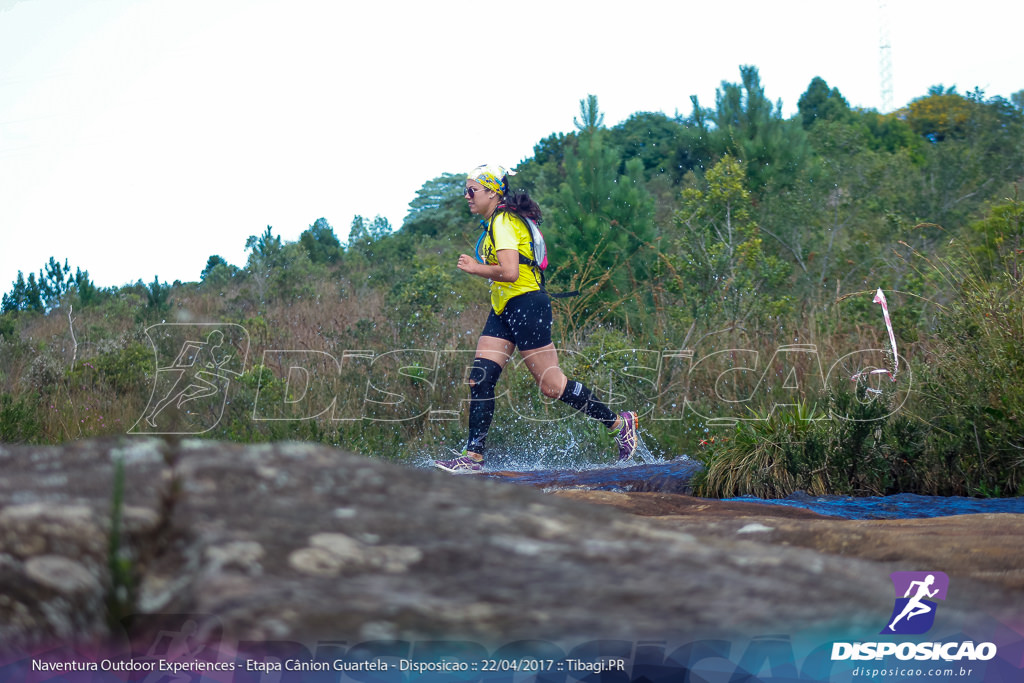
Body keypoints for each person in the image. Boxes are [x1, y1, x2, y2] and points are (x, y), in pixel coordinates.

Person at [434, 163, 638, 474]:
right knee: (480, 377)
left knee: (552, 386)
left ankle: (617, 423)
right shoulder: (494, 223)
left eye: (472, 190)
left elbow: (510, 272)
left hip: (527, 305)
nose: (467, 196)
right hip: (504, 308)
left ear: (491, 192)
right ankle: (473, 456)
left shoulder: (502, 221)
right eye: (466, 190)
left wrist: (476, 268)